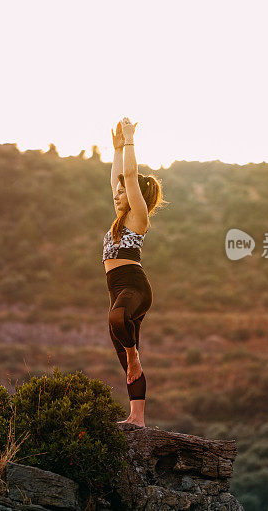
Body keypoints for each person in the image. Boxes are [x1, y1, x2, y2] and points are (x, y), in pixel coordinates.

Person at [103, 117, 166, 427]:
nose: (117, 195)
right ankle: (137, 418)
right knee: (120, 347)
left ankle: (134, 355)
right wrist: (116, 149)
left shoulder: (138, 217)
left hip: (134, 288)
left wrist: (129, 140)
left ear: (136, 196)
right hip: (116, 290)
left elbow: (128, 175)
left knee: (119, 324)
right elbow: (119, 175)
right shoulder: (117, 222)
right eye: (116, 192)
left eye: (122, 192)